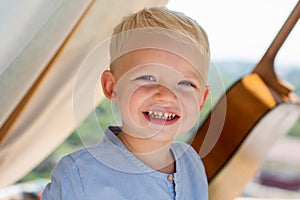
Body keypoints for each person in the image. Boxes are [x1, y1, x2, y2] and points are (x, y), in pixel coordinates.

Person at [42, 6, 210, 200]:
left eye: (186, 83)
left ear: (201, 99)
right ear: (112, 87)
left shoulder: (192, 163)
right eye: (147, 77)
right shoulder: (79, 174)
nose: (167, 96)